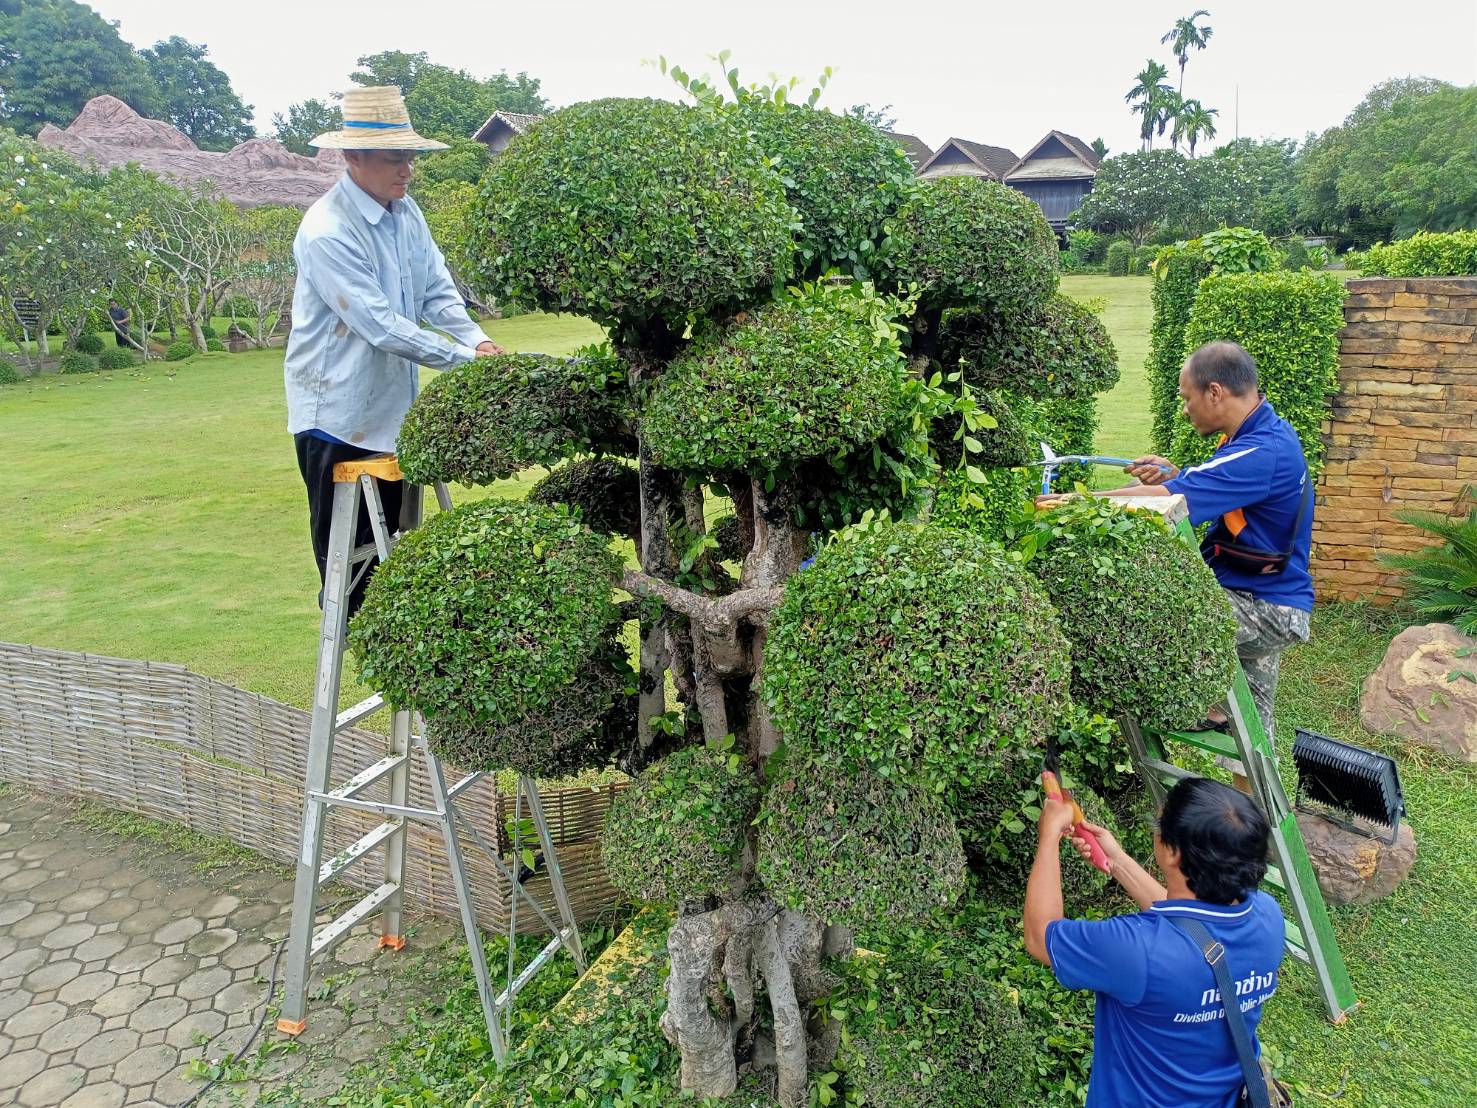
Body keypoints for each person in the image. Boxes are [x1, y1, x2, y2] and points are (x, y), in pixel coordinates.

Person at [284, 86, 503, 612]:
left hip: (393, 413)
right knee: (352, 576)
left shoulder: (407, 213)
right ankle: (359, 643)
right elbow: (379, 326)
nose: (407, 170)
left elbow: (436, 291)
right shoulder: (328, 231)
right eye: (393, 158)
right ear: (353, 157)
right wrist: (464, 360)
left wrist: (477, 338)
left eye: (409, 157)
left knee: (400, 561)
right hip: (337, 418)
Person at [1071, 341, 1313, 744]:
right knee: (1250, 734)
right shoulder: (1261, 432)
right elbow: (1222, 484)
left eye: (1187, 398)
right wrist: (1175, 475)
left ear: (1214, 392)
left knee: (1144, 611)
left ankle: (1179, 710)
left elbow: (1170, 499)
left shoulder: (1262, 451)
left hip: (1266, 609)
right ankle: (1229, 737)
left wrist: (1073, 503)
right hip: (1267, 595)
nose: (1185, 409)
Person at [1024, 776, 1286, 1108]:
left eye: (1160, 825)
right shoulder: (1267, 917)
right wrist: (1117, 861)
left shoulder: (1138, 950)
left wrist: (1049, 835)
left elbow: (1040, 936)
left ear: (1173, 853)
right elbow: (1193, 928)